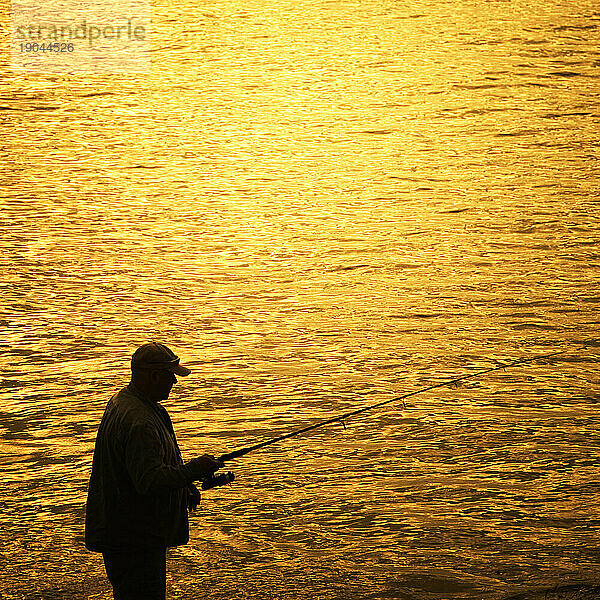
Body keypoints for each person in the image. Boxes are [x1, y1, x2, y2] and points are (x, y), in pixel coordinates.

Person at [85, 342, 223, 600]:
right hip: (134, 539)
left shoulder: (123, 401)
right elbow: (148, 481)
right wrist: (195, 469)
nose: (174, 382)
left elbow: (145, 468)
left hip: (123, 531)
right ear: (154, 376)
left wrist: (183, 485)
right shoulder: (140, 422)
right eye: (170, 376)